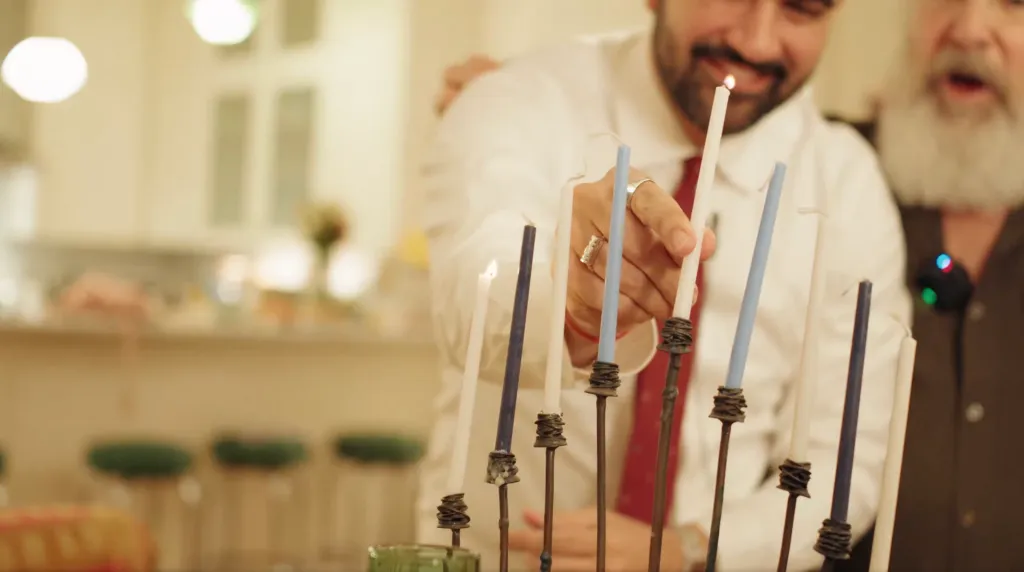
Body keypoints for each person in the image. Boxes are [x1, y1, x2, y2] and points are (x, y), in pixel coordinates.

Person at [419, 0, 911, 570]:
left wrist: (696, 548)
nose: (757, 42)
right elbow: (469, 297)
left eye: (801, 10)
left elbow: (849, 456)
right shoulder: (518, 101)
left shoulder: (846, 182)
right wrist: (574, 307)